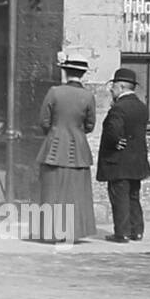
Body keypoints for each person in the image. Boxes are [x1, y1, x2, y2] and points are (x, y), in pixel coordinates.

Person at [33, 58, 98, 242]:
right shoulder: (88, 96)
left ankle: (51, 232)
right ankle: (74, 232)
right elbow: (90, 125)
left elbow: (43, 121)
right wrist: (76, 132)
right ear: (83, 75)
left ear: (65, 72)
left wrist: (56, 132)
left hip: (53, 147)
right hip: (78, 149)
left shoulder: (54, 92)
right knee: (76, 192)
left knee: (52, 191)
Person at [97, 67, 150, 243]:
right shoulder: (141, 107)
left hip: (118, 161)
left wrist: (115, 141)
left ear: (120, 87)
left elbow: (113, 130)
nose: (111, 91)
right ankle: (137, 231)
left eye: (113, 87)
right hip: (137, 161)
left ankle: (122, 233)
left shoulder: (118, 108)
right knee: (134, 196)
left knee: (119, 197)